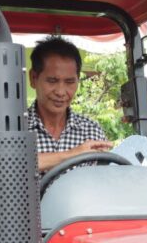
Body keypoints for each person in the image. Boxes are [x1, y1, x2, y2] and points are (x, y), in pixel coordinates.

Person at [26, 36, 111, 176]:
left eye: (70, 82)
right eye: (52, 81)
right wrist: (74, 154)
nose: (60, 92)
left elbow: (101, 185)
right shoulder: (14, 129)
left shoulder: (91, 131)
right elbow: (2, 165)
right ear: (33, 78)